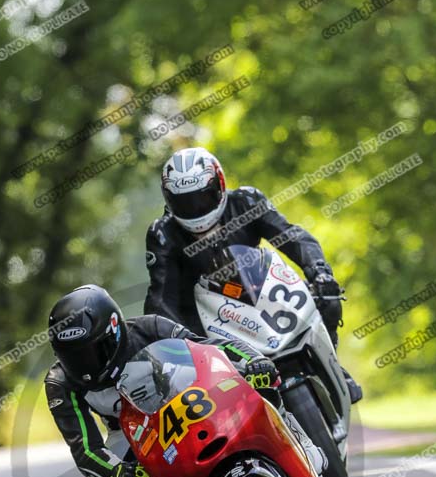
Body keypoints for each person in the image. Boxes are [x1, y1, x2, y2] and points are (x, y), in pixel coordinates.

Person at [45, 284, 326, 477]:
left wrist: (253, 360)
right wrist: (118, 472)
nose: (84, 367)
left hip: (189, 394)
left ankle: (302, 445)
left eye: (92, 352)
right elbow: (85, 449)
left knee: (262, 379)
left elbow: (209, 346)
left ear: (114, 332)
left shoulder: (150, 327)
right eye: (73, 357)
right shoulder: (59, 383)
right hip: (130, 433)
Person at [144, 147, 362, 403]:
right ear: (169, 200)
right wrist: (179, 339)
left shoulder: (246, 201)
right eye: (185, 202)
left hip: (260, 291)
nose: (195, 210)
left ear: (219, 185)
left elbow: (292, 237)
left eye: (202, 198)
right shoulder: (163, 233)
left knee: (328, 298)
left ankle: (333, 364)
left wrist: (320, 273)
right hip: (203, 315)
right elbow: (161, 295)